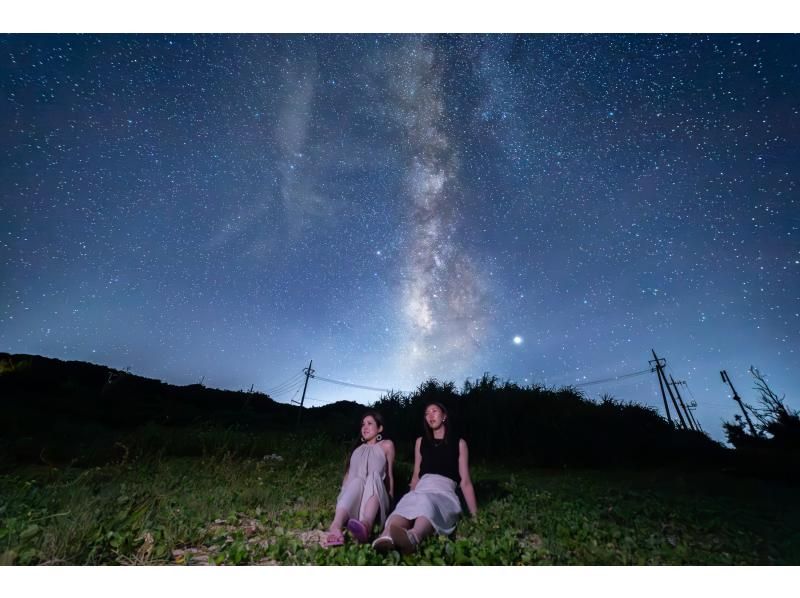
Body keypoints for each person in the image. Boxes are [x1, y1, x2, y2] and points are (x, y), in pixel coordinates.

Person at [372, 401, 477, 555]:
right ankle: (386, 536)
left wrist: (475, 517)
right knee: (406, 505)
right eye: (427, 413)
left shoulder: (459, 444)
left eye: (434, 411)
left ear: (444, 416)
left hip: (444, 492)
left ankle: (414, 537)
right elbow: (416, 476)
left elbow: (466, 482)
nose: (430, 416)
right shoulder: (420, 442)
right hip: (422, 487)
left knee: (427, 503)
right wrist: (410, 495)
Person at [325, 410, 395, 547]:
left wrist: (391, 501)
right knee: (357, 480)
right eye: (363, 424)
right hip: (354, 501)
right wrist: (342, 497)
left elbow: (389, 475)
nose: (365, 427)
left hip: (375, 500)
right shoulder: (357, 450)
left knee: (374, 476)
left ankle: (366, 525)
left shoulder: (386, 445)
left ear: (380, 428)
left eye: (370, 423)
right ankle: (336, 526)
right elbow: (348, 477)